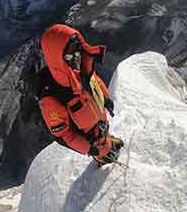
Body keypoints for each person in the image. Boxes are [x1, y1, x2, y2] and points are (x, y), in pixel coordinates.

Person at [38, 24, 123, 165]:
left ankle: (107, 141)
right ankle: (104, 155)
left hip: (98, 122)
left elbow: (94, 80)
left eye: (77, 49)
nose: (76, 56)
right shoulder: (52, 98)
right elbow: (64, 136)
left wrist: (106, 98)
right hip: (89, 138)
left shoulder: (79, 70)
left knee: (103, 133)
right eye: (70, 52)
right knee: (104, 150)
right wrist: (90, 149)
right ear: (57, 56)